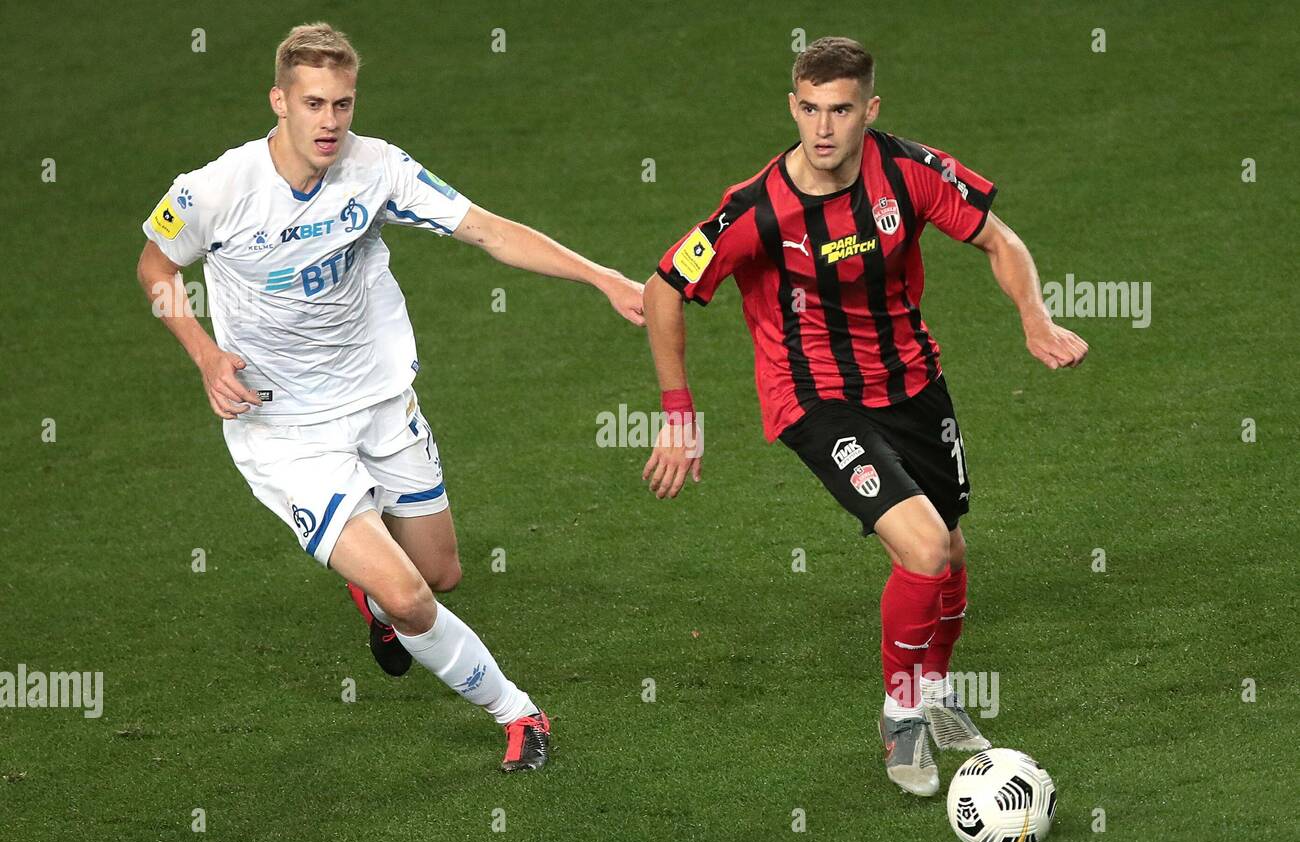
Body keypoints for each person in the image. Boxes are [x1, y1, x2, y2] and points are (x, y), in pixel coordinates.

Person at [136, 22, 644, 772]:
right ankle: (519, 713)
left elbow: (489, 232)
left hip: (380, 401)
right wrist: (206, 354)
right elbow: (155, 268)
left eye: (343, 103)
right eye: (313, 103)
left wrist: (603, 277)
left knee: (440, 576)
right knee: (412, 598)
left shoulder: (376, 170)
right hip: (282, 426)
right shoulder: (213, 191)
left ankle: (373, 599)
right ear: (279, 100)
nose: (331, 122)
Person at [641, 37, 1087, 796]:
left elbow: (997, 238)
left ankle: (939, 695)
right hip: (813, 398)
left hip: (912, 382)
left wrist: (1035, 319)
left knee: (949, 548)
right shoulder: (756, 208)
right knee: (920, 549)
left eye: (841, 110)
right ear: (793, 107)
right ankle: (899, 712)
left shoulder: (906, 171)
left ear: (868, 111)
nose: (823, 127)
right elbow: (662, 288)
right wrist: (679, 412)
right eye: (810, 109)